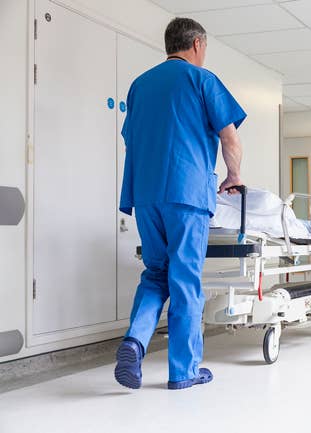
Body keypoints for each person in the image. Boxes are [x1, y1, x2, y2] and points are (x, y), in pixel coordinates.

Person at [114, 17, 247, 390]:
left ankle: (135, 341)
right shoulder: (203, 80)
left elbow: (132, 139)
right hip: (186, 195)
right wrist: (233, 176)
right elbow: (230, 139)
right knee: (185, 279)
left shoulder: (140, 85)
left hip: (145, 194)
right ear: (198, 44)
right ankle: (183, 371)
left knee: (156, 273)